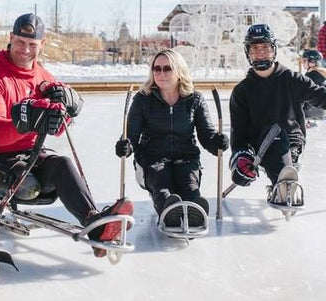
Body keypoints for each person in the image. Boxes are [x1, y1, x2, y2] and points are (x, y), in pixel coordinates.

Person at [0, 13, 133, 258]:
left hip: (32, 155)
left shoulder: (44, 77)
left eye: (32, 45)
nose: (25, 50)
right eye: (20, 42)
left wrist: (67, 111)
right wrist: (32, 121)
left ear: (42, 44)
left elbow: (57, 128)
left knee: (62, 164)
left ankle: (95, 225)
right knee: (29, 185)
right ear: (11, 38)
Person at [114, 49, 229, 227]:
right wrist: (126, 146)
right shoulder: (143, 99)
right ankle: (170, 213)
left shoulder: (194, 99)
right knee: (163, 188)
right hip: (152, 160)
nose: (161, 73)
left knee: (190, 189)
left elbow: (207, 135)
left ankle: (194, 212)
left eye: (167, 68)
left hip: (186, 158)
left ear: (179, 71)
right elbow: (131, 135)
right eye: (157, 68)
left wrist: (217, 143)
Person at [229, 24, 326, 206]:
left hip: (293, 142)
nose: (261, 53)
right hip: (260, 147)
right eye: (255, 48)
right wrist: (240, 160)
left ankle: (284, 183)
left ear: (274, 50)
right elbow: (238, 136)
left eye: (265, 47)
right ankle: (283, 186)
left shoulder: (293, 79)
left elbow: (322, 98)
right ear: (247, 52)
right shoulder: (241, 91)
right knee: (272, 133)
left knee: (279, 134)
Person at [301, 49, 326, 121]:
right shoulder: (319, 72)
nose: (303, 63)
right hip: (318, 108)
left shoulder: (314, 75)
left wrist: (302, 110)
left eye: (305, 61)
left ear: (312, 62)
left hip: (315, 109)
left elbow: (312, 95)